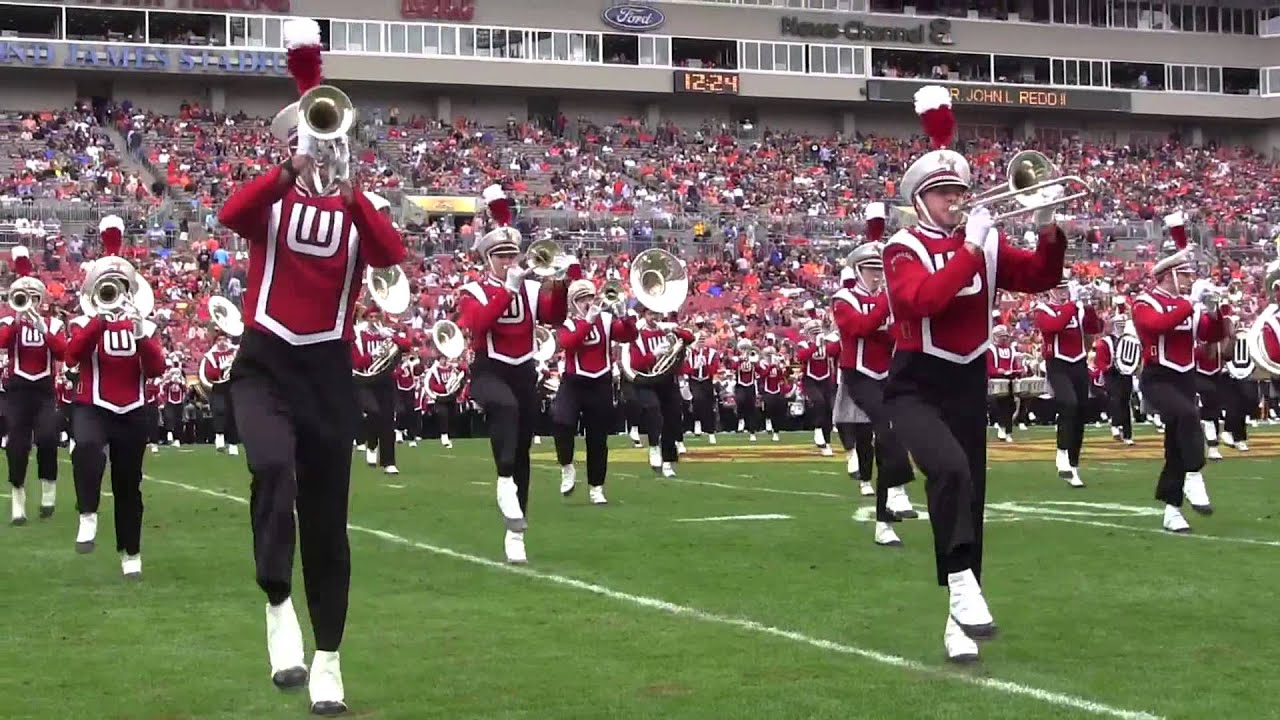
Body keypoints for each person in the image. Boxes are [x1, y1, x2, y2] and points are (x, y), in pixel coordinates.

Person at [215, 18, 406, 715]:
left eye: (327, 139)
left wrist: (353, 191)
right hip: (264, 362)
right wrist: (288, 171)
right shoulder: (273, 199)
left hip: (328, 372)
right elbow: (231, 212)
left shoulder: (361, 208)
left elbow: (390, 257)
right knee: (270, 469)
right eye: (310, 139)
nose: (322, 149)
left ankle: (328, 658)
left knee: (328, 524)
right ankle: (276, 605)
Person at [880, 86, 1066, 663]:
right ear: (920, 200)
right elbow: (925, 302)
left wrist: (1047, 223)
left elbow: (1040, 276)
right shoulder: (902, 247)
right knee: (950, 469)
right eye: (943, 193)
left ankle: (958, 617)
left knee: (971, 499)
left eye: (959, 190)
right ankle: (959, 582)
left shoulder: (983, 244)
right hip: (914, 382)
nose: (956, 200)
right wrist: (973, 244)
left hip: (966, 379)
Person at [456, 183, 572, 565]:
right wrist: (507, 289)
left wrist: (561, 281)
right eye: (502, 256)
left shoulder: (528, 286)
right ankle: (503, 480)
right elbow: (478, 326)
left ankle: (515, 531)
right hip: (489, 370)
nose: (509, 262)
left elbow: (555, 318)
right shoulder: (473, 289)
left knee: (522, 450)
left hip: (524, 371)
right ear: (488, 259)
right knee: (503, 410)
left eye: (512, 256)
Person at [65, 215, 166, 577]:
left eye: (119, 287)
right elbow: (72, 355)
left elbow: (155, 369)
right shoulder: (84, 323)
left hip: (133, 409)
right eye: (107, 287)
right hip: (93, 405)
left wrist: (139, 332)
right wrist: (98, 319)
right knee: (88, 450)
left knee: (128, 485)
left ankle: (131, 553)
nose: (113, 293)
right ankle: (87, 513)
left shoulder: (145, 324)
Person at [1131, 211, 1230, 534]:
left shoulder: (1186, 303)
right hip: (1158, 377)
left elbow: (1210, 337)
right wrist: (1191, 303)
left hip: (1185, 377)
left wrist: (1215, 312)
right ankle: (1194, 475)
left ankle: (1172, 511)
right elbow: (1156, 326)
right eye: (1185, 275)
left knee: (1176, 445)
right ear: (1169, 276)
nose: (1190, 281)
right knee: (1189, 416)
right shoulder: (1145, 302)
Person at [833, 241, 917, 547]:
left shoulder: (885, 299)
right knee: (885, 425)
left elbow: (894, 335)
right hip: (858, 375)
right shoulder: (844, 298)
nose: (877, 276)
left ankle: (884, 521)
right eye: (870, 270)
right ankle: (897, 488)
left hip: (886, 372)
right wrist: (887, 305)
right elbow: (860, 328)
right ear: (857, 271)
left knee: (893, 434)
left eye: (879, 270)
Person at [553, 279, 637, 504]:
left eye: (590, 297)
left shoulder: (607, 320)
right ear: (573, 302)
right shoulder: (569, 323)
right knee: (562, 422)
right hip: (574, 382)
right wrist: (588, 321)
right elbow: (570, 343)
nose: (588, 303)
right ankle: (567, 466)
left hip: (600, 382)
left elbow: (629, 336)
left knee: (598, 438)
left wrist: (624, 315)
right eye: (582, 299)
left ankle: (596, 487)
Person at [1, 245, 66, 524]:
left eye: (33, 297)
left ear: (41, 299)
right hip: (16, 390)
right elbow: (2, 343)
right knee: (16, 445)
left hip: (43, 390)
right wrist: (17, 321)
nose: (29, 301)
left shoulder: (52, 324)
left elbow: (63, 352)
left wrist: (41, 327)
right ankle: (18, 500)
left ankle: (48, 490)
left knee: (49, 437)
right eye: (24, 297)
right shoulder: (8, 320)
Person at [1032, 274, 1103, 487]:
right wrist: (1072, 307)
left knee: (1081, 411)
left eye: (1065, 288)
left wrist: (1089, 308)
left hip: (1078, 363)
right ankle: (1061, 451)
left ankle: (1073, 464)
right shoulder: (1043, 309)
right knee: (1068, 403)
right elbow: (1053, 327)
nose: (1063, 292)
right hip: (1057, 364)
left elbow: (1093, 329)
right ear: (1051, 290)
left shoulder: (1076, 309)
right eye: (1059, 288)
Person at [1093, 314, 1140, 445]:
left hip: (1126, 374)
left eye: (1122, 323)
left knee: (1125, 401)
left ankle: (1127, 434)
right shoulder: (1105, 342)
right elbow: (1100, 361)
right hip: (1112, 374)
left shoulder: (1130, 340)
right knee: (1116, 399)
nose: (1121, 326)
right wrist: (1107, 366)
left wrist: (1133, 367)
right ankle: (1115, 424)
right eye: (1118, 323)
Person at [199, 330, 240, 456]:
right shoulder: (210, 356)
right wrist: (219, 369)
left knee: (233, 415)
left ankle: (233, 444)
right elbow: (208, 373)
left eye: (224, 339)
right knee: (219, 410)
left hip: (232, 386)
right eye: (219, 340)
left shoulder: (234, 351)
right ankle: (219, 437)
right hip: (218, 388)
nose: (222, 342)